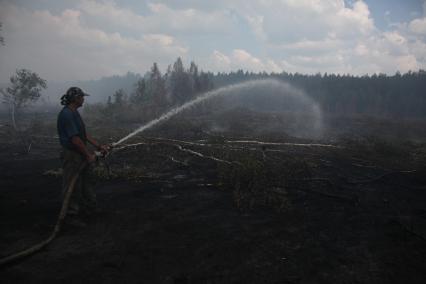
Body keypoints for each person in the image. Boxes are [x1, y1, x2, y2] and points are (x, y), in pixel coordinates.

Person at [57, 87, 109, 226]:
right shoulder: (67, 115)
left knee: (87, 181)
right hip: (72, 155)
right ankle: (70, 215)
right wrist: (88, 155)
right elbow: (75, 139)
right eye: (82, 97)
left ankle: (89, 209)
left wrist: (99, 146)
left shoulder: (74, 113)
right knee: (72, 184)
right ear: (76, 98)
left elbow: (83, 135)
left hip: (79, 152)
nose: (83, 99)